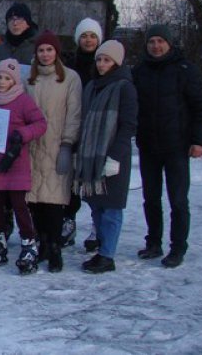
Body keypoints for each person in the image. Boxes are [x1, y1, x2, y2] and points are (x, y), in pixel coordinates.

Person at [133, 24, 202, 268]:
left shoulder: (185, 70)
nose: (156, 46)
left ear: (169, 43)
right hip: (148, 144)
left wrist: (198, 141)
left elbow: (200, 107)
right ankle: (153, 242)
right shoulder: (140, 71)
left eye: (160, 41)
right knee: (150, 197)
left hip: (177, 145)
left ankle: (178, 247)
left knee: (177, 199)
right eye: (152, 41)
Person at [0, 58, 47, 274]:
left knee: (19, 206)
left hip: (14, 162)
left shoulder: (23, 101)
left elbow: (40, 124)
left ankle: (29, 243)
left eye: (7, 78)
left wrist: (21, 134)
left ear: (14, 81)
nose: (2, 82)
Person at [74, 40, 138, 273]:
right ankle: (102, 248)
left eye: (107, 60)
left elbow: (128, 125)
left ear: (117, 62)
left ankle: (107, 255)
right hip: (91, 156)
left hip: (112, 155)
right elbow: (83, 121)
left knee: (111, 208)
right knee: (96, 205)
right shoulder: (91, 86)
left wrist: (115, 157)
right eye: (99, 59)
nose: (102, 64)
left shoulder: (124, 87)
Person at [25, 31, 82, 272]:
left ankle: (56, 247)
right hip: (30, 146)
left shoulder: (70, 79)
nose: (45, 54)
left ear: (56, 52)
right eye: (41, 50)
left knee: (54, 201)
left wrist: (68, 144)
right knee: (34, 200)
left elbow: (74, 113)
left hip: (57, 144)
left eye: (49, 50)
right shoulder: (28, 78)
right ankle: (42, 244)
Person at [62, 18, 103, 251]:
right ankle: (68, 223)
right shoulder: (69, 64)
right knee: (70, 183)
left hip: (97, 130)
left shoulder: (106, 63)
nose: (89, 40)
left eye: (93, 36)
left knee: (94, 181)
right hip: (73, 127)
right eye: (84, 36)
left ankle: (97, 228)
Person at [0, 2, 39, 74]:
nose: (15, 23)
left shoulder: (40, 49)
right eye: (11, 19)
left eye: (19, 18)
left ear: (28, 22)